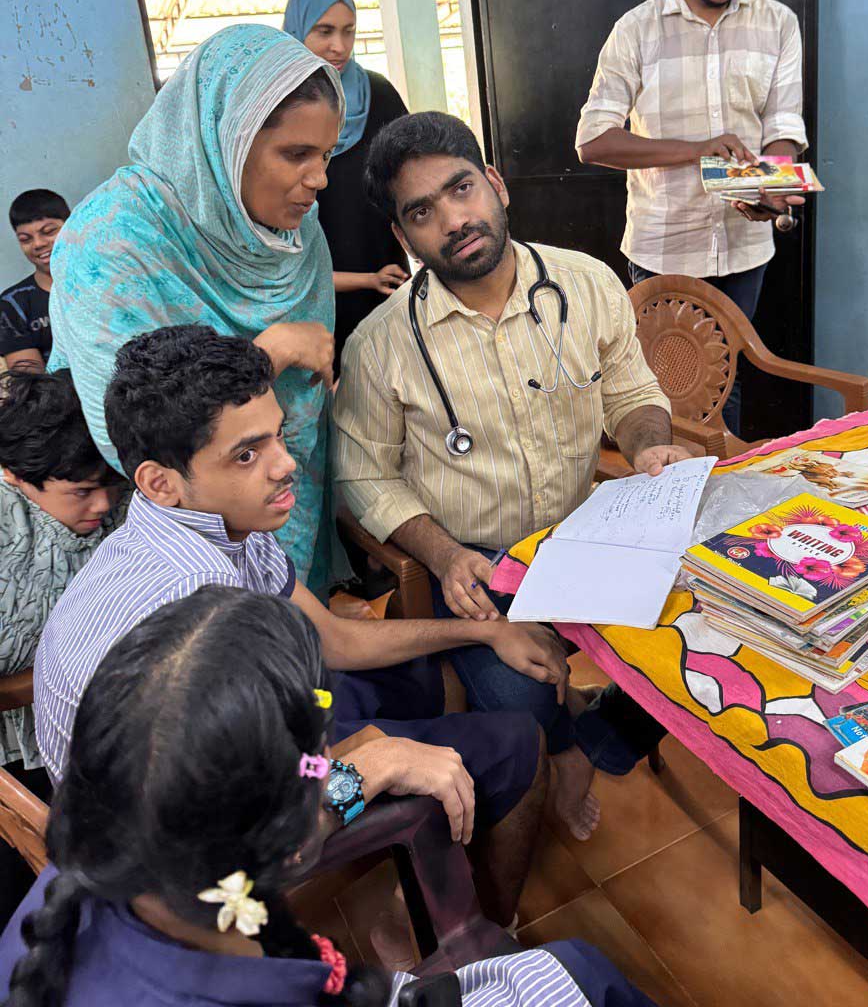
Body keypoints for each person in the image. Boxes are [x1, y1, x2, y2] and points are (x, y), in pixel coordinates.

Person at [34, 324, 568, 928]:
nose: (286, 465)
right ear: (161, 481)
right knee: (519, 745)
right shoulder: (198, 616)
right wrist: (367, 766)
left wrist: (485, 632)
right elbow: (239, 838)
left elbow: (334, 640)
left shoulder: (212, 527)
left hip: (243, 751)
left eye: (278, 435)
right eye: (246, 455)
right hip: (184, 862)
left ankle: (419, 853)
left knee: (415, 673)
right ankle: (484, 936)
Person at [2, 588, 655, 1007]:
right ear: (287, 843)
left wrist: (356, 769)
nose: (336, 760)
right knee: (582, 971)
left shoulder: (102, 863)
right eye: (320, 754)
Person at [333, 111, 688, 841]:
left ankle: (594, 744)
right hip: (479, 566)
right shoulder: (379, 345)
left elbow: (633, 397)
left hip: (585, 534)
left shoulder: (585, 284)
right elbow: (363, 477)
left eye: (461, 188)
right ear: (403, 237)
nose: (453, 220)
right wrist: (443, 555)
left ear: (494, 184)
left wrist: (649, 449)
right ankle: (561, 745)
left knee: (710, 630)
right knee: (522, 694)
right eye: (422, 213)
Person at [47, 24, 351, 596]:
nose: (320, 179)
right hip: (168, 540)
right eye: (296, 154)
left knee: (299, 639)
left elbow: (306, 406)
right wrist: (269, 355)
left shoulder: (295, 232)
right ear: (223, 142)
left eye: (327, 154)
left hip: (285, 501)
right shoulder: (111, 242)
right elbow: (131, 435)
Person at [576, 0, 809, 435]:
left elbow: (782, 126)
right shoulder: (636, 31)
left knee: (726, 384)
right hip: (664, 246)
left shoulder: (778, 24)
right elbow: (593, 140)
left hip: (745, 249)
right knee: (665, 390)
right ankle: (669, 487)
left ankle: (718, 489)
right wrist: (696, 151)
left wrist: (771, 187)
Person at [0, 368, 125, 925]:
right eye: (80, 492)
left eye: (109, 484)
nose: (101, 503)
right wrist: (60, 673)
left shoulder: (126, 507)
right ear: (17, 478)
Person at [284, 0, 410, 361]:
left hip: (384, 271)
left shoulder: (379, 94)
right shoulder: (278, 105)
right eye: (324, 31)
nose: (339, 46)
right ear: (298, 30)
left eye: (348, 31)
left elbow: (410, 173)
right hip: (309, 281)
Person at [0, 190, 70, 370]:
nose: (38, 244)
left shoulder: (104, 282)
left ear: (71, 225)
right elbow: (29, 379)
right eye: (26, 239)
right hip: (56, 388)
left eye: (49, 231)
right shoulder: (12, 304)